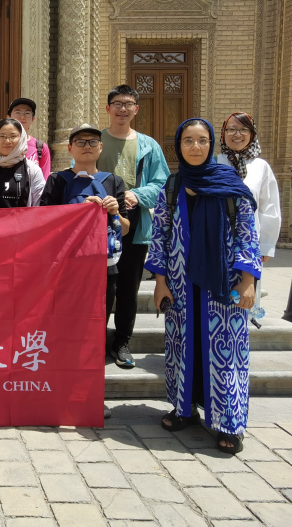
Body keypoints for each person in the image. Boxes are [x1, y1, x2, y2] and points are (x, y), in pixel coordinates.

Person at [147, 118, 260, 454]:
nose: (195, 147)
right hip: (180, 286)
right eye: (188, 141)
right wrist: (160, 283)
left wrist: (249, 281)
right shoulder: (173, 186)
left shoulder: (230, 185)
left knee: (225, 351)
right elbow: (160, 236)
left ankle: (229, 422)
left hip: (224, 285)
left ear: (211, 144)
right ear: (178, 146)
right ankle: (185, 409)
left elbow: (247, 233)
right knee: (183, 346)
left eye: (202, 140)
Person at [39, 123, 130, 421]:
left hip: (104, 268)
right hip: (67, 270)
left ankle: (90, 397)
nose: (87, 146)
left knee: (95, 331)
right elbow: (43, 221)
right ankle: (58, 394)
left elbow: (126, 229)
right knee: (63, 330)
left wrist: (113, 211)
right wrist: (78, 211)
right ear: (70, 148)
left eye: (93, 141)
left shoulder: (114, 181)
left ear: (101, 148)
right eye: (80, 142)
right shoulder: (57, 180)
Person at [97, 84, 170, 370]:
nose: (122, 109)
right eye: (117, 103)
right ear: (108, 108)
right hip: (99, 223)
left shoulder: (149, 145)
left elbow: (161, 182)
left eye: (128, 104)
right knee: (101, 286)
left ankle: (122, 342)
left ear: (136, 109)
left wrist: (137, 195)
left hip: (135, 221)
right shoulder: (97, 140)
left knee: (129, 286)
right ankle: (95, 340)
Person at [216, 112, 281, 320]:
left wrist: (266, 245)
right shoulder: (214, 163)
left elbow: (269, 207)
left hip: (249, 244)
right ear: (223, 133)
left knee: (244, 300)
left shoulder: (260, 166)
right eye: (231, 129)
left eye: (244, 129)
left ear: (252, 134)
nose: (237, 134)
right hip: (217, 242)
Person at [8, 98, 51, 180]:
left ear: (33, 119)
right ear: (8, 118)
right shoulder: (2, 144)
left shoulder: (40, 147)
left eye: (27, 113)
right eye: (18, 113)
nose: (22, 117)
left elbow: (44, 178)